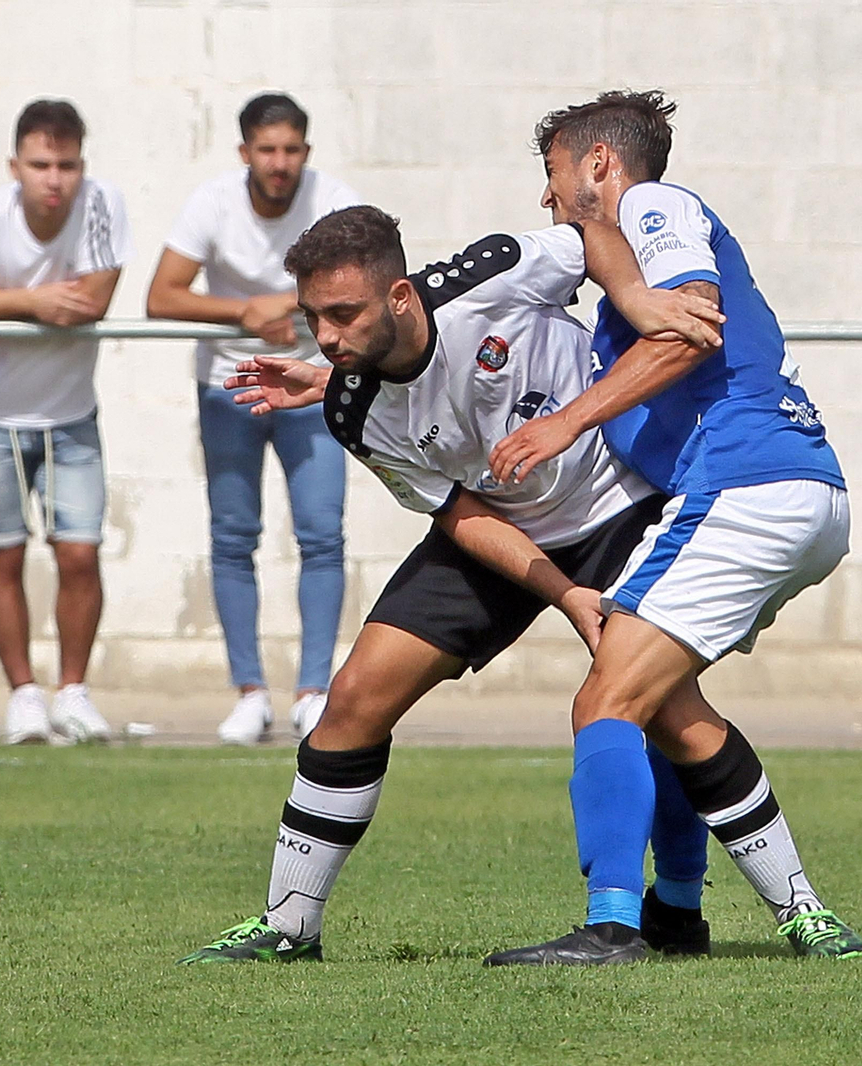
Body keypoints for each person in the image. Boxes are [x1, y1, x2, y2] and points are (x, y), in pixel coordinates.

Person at [178, 205, 726, 964]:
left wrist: (635, 301)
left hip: (618, 503)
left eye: (344, 314)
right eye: (314, 318)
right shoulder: (350, 405)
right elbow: (460, 513)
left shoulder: (496, 272)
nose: (328, 337)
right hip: (496, 530)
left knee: (658, 704)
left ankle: (693, 908)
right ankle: (289, 925)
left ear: (400, 296)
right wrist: (563, 593)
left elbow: (599, 237)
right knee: (355, 698)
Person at [482, 90, 862, 965]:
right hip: (797, 490)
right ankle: (722, 915)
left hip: (751, 483)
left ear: (600, 164)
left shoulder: (658, 203)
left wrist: (563, 423)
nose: (546, 197)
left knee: (606, 696)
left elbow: (690, 323)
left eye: (552, 174)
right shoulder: (616, 281)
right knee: (659, 704)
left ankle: (613, 925)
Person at [146, 93, 358, 745]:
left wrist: (292, 305)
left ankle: (314, 691)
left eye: (291, 149)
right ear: (244, 153)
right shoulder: (212, 203)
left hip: (312, 387)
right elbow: (161, 297)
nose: (279, 162)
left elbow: (371, 282)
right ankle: (249, 694)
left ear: (307, 153)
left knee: (322, 534)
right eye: (266, 149)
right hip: (231, 386)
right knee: (234, 535)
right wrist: (240, 312)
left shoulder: (333, 201)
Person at [0, 99, 133, 745]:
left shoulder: (102, 203)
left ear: (82, 165)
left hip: (71, 413)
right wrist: (30, 300)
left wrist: (2, 302)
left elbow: (93, 300)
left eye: (67, 165)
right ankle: (23, 694)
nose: (55, 179)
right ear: (15, 164)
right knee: (3, 553)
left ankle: (72, 691)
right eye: (41, 164)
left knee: (79, 553)